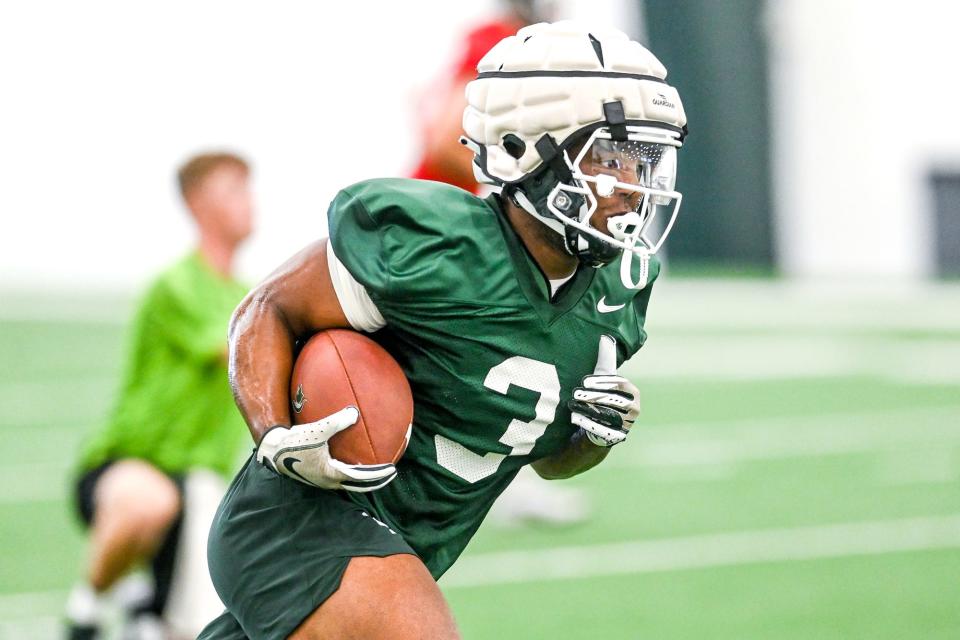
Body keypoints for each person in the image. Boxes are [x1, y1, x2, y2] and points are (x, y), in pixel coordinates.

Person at [200, 21, 687, 640]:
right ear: (526, 147)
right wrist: (274, 436)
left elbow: (548, 463)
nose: (635, 186)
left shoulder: (619, 288)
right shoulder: (439, 246)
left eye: (646, 159)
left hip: (404, 549)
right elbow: (265, 309)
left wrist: (592, 436)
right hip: (299, 525)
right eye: (611, 157)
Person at [65, 152, 254, 640]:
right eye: (232, 189)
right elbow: (233, 347)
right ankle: (86, 609)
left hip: (200, 487)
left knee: (190, 625)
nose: (249, 202)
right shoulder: (178, 285)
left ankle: (143, 604)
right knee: (149, 500)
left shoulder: (248, 292)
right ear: (197, 204)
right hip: (132, 463)